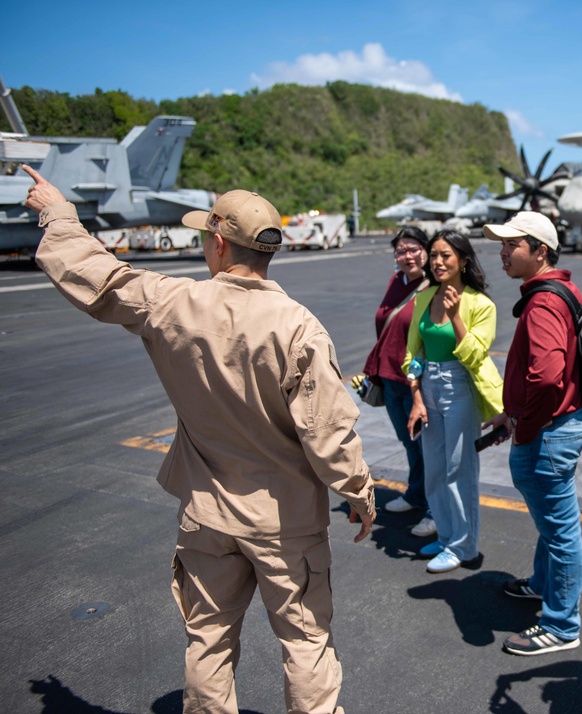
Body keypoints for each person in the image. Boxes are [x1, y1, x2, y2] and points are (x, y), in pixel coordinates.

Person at [23, 165, 375, 714]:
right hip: (285, 522)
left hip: (207, 514)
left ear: (217, 242)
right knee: (305, 644)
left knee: (208, 641)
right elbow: (329, 432)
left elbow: (96, 276)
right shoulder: (298, 325)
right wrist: (359, 493)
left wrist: (58, 212)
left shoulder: (171, 302)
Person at [482, 211, 582, 656]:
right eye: (502, 245)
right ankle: (544, 585)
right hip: (558, 423)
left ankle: (562, 625)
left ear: (540, 251)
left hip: (548, 431)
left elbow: (546, 378)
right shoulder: (559, 290)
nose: (503, 252)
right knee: (554, 525)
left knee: (561, 530)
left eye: (513, 245)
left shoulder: (544, 302)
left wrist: (526, 425)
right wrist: (514, 413)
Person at [404, 229, 503, 574]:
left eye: (446, 255)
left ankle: (464, 546)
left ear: (463, 260)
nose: (438, 262)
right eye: (433, 256)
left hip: (460, 386)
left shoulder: (480, 304)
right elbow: (413, 355)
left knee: (459, 470)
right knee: (434, 469)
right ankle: (447, 537)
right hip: (428, 384)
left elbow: (476, 355)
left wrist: (457, 315)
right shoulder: (424, 297)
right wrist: (416, 396)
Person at [362, 226, 436, 538]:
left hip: (415, 383)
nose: (407, 256)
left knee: (429, 448)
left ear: (427, 251)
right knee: (409, 444)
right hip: (389, 378)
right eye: (401, 251)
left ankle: (436, 508)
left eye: (413, 249)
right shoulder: (397, 281)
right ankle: (417, 493)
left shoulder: (435, 286)